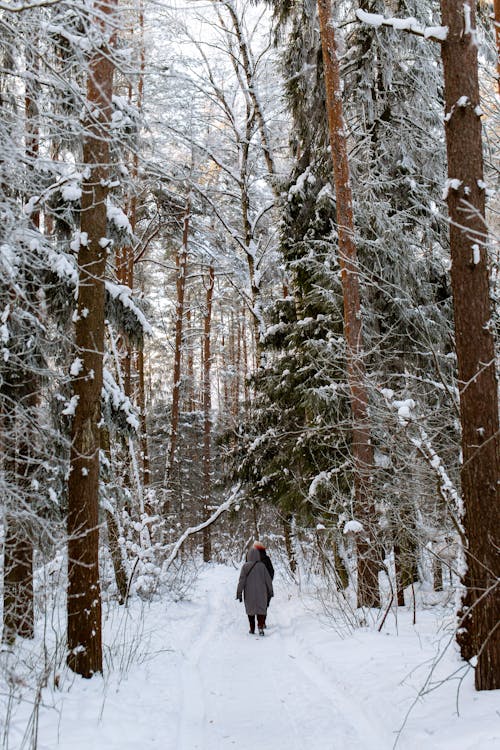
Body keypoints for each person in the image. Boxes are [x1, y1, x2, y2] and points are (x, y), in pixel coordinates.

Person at [236, 546, 273, 635]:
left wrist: (239, 593)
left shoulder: (245, 567)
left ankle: (252, 629)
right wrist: (270, 591)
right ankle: (260, 627)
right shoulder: (262, 566)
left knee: (250, 610)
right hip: (262, 593)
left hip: (249, 593)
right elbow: (268, 580)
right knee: (261, 609)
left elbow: (241, 581)